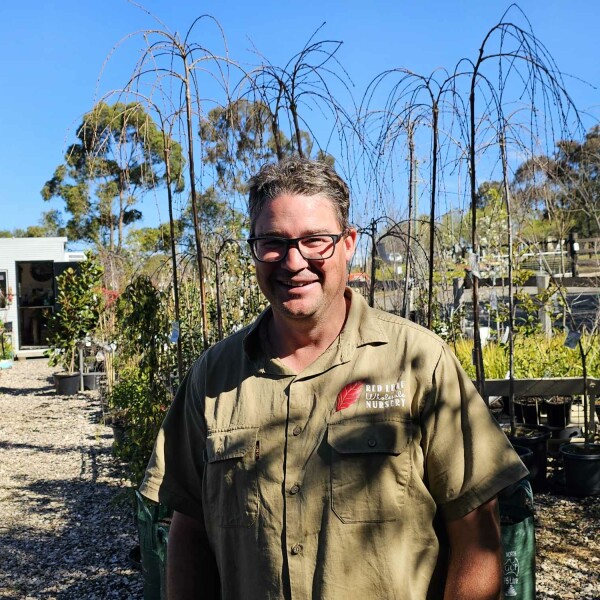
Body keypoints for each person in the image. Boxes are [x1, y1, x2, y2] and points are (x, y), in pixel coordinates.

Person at [140, 157, 528, 599]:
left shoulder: (418, 362)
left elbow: (476, 525)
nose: (293, 261)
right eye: (272, 242)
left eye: (315, 240)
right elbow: (189, 528)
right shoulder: (212, 377)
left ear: (348, 244)